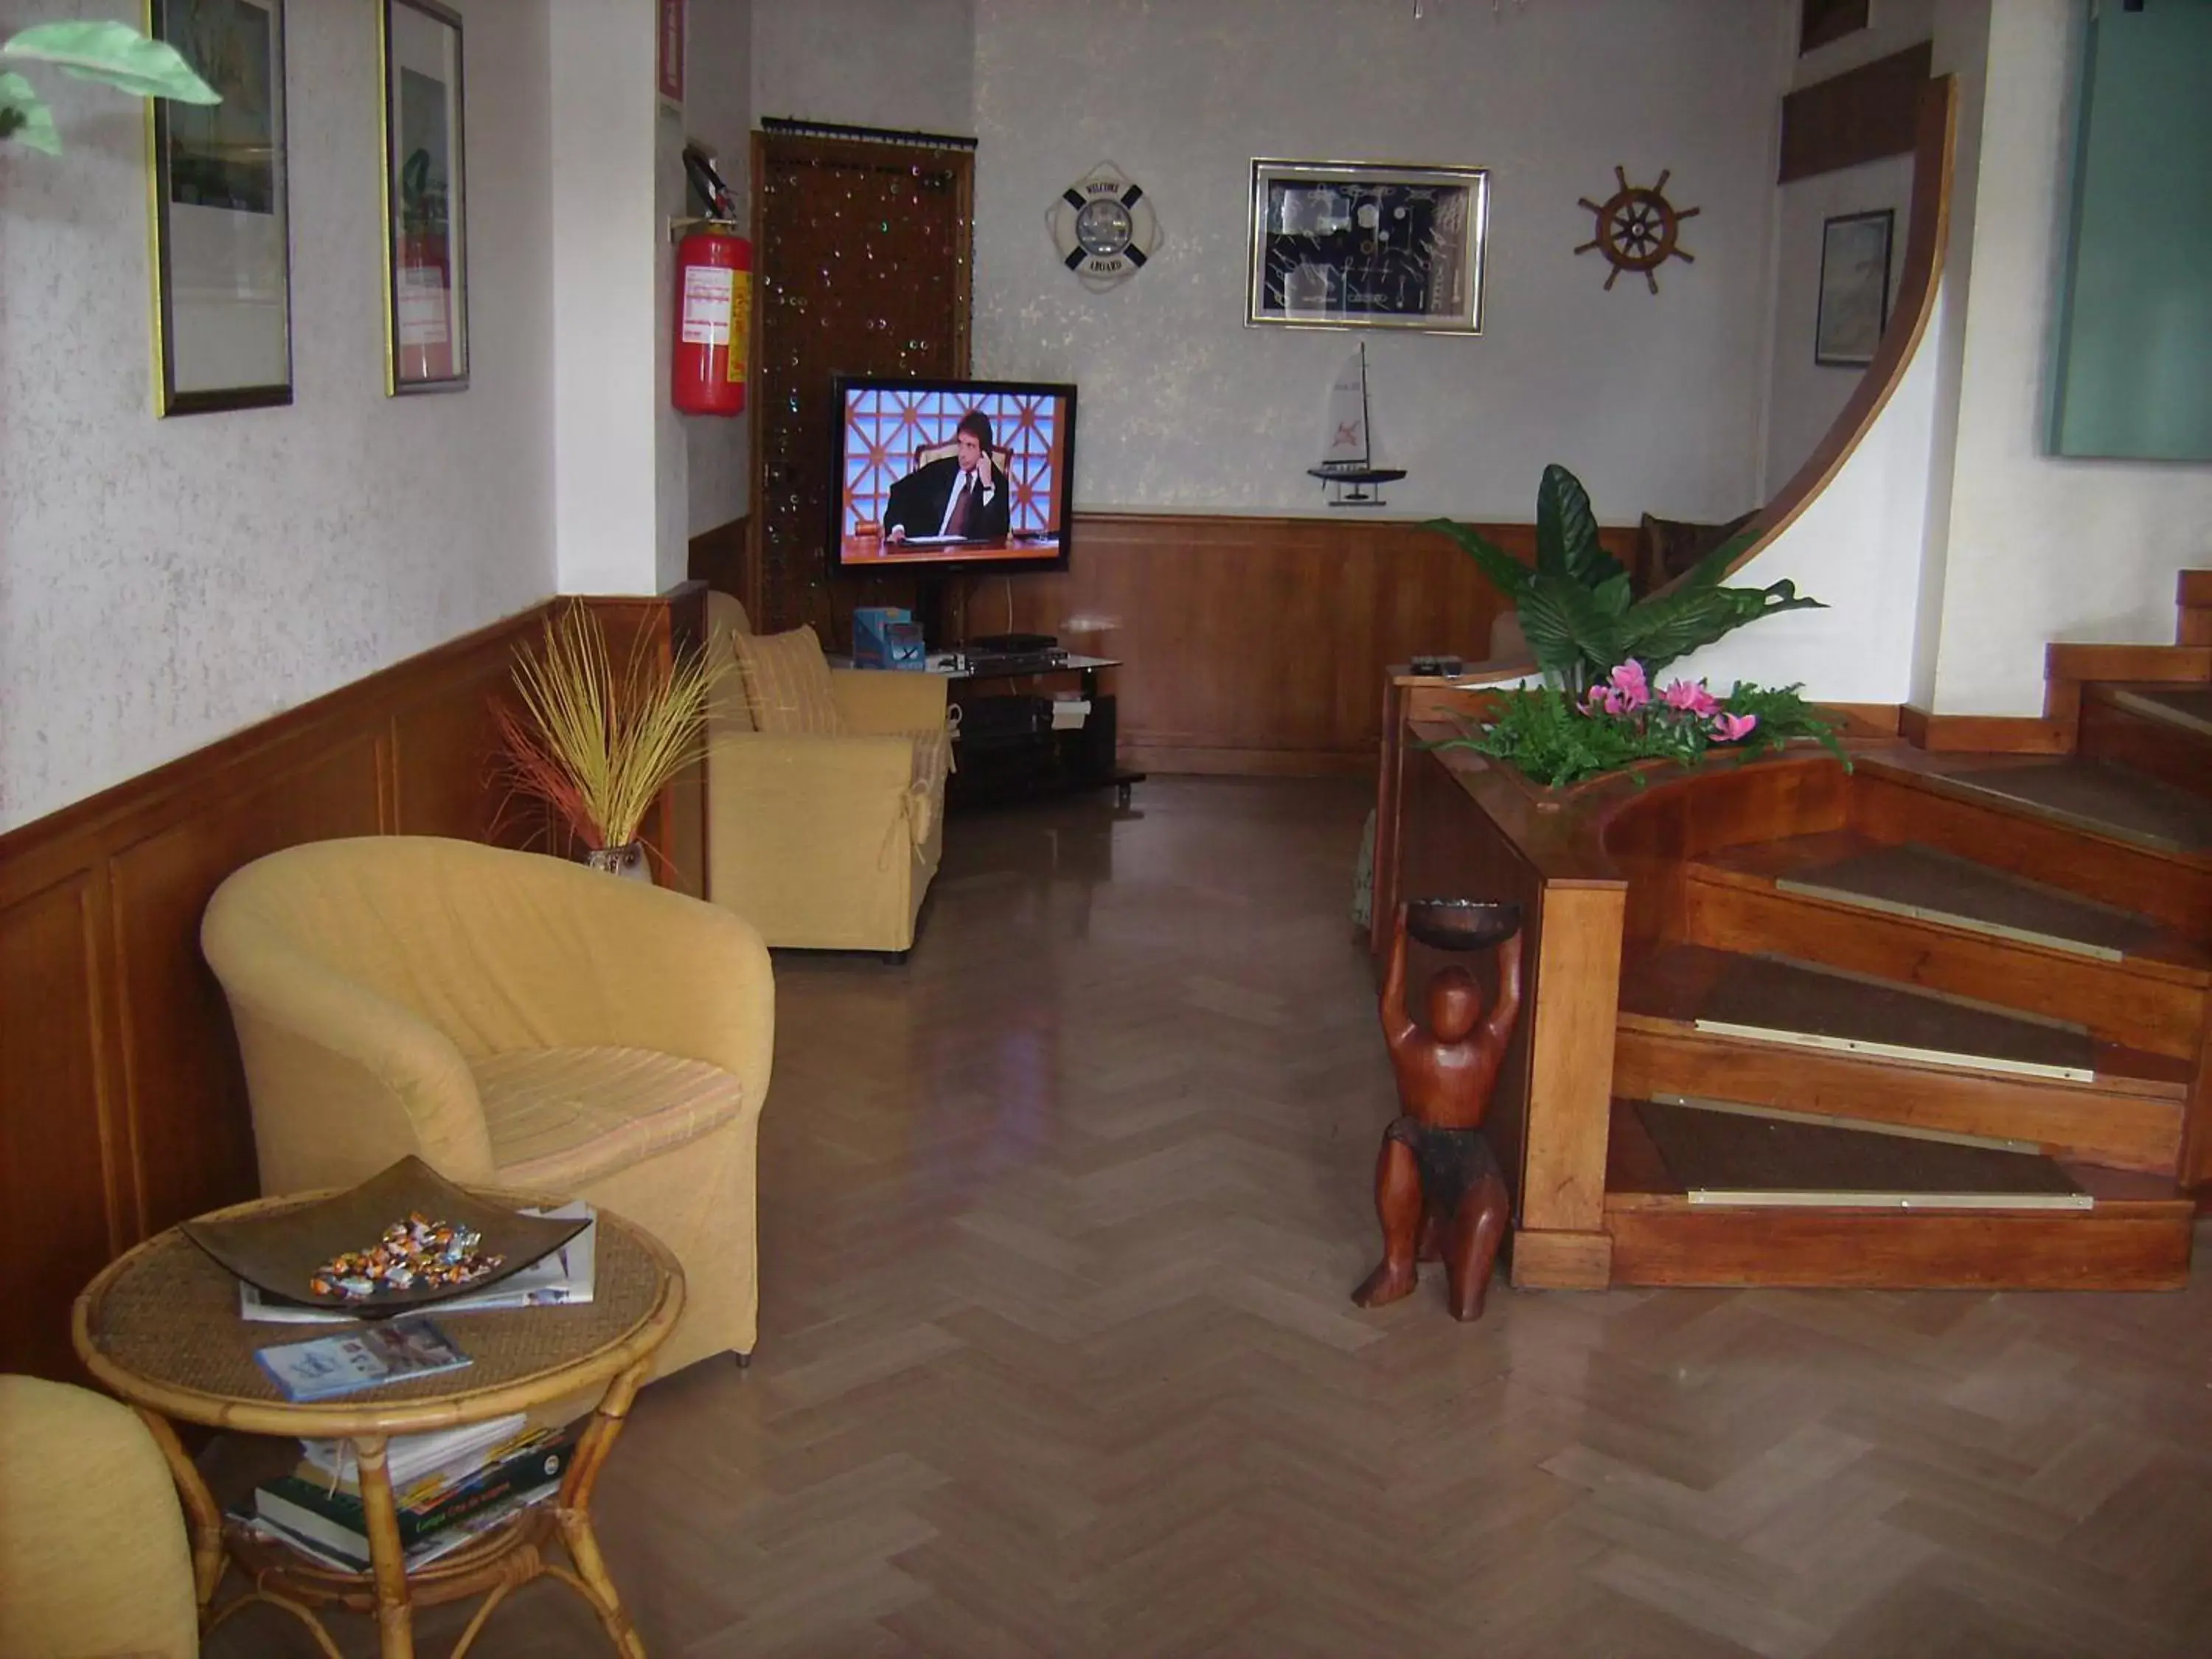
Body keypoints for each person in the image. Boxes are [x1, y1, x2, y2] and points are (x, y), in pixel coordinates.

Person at [1351, 901, 1523, 1321]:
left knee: (1467, 1304)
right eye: (1444, 1006)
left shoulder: (1487, 1044)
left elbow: (1511, 997)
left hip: (1469, 1152)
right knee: (1397, 1137)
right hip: (1420, 1140)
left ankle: (1448, 1245)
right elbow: (1390, 999)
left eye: (1461, 1006)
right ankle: (1398, 1265)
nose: (1452, 1015)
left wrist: (1512, 937)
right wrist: (1399, 935)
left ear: (1475, 1009)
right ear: (1429, 1007)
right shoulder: (1410, 1043)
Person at [883, 409, 1012, 544]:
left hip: (970, 560)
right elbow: (900, 491)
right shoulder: (941, 470)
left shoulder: (997, 482)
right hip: (929, 554)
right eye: (960, 444)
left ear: (984, 450)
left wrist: (987, 488)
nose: (962, 453)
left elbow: (998, 535)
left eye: (970, 446)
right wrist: (897, 529)